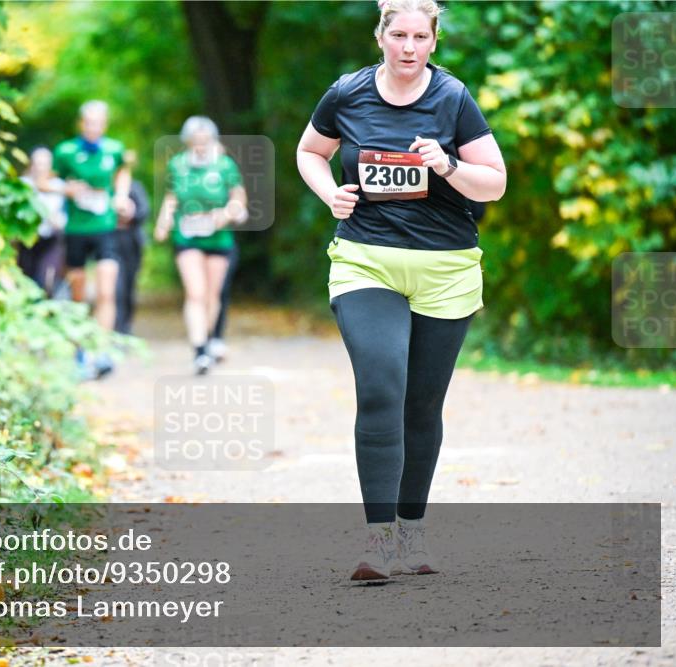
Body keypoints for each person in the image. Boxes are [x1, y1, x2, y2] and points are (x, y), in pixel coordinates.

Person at [296, 0, 506, 581]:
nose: (409, 47)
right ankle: (379, 541)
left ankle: (413, 535)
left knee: (421, 404)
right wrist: (328, 194)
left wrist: (447, 167)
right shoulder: (347, 93)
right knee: (382, 386)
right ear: (380, 36)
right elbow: (310, 151)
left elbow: (494, 183)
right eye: (399, 35)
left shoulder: (454, 98)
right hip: (368, 262)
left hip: (445, 268)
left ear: (434, 42)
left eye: (420, 36)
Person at [155, 116, 248, 375]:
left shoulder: (224, 166)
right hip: (187, 237)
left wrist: (225, 215)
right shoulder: (178, 165)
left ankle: (208, 342)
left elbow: (239, 201)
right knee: (195, 293)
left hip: (218, 238)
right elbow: (171, 197)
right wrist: (163, 222)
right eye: (195, 141)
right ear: (187, 142)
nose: (200, 146)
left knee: (211, 296)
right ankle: (198, 350)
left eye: (204, 141)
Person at [53, 100, 133, 377]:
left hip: (105, 228)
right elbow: (45, 181)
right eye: (88, 123)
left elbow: (123, 171)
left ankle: (102, 350)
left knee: (106, 290)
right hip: (76, 230)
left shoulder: (114, 149)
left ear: (104, 125)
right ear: (81, 124)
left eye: (98, 123)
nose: (93, 128)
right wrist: (66, 189)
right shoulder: (65, 152)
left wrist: (121, 195)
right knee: (79, 296)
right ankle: (80, 352)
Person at [19, 147, 67, 297]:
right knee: (26, 279)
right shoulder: (22, 185)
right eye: (38, 163)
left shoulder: (59, 186)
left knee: (47, 279)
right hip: (27, 240)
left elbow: (64, 214)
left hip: (51, 239)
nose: (41, 167)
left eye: (44, 164)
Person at [113, 150, 150, 335]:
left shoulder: (135, 187)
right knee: (115, 286)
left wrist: (131, 214)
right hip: (111, 241)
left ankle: (126, 326)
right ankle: (116, 326)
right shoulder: (106, 188)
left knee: (128, 285)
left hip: (131, 242)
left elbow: (144, 212)